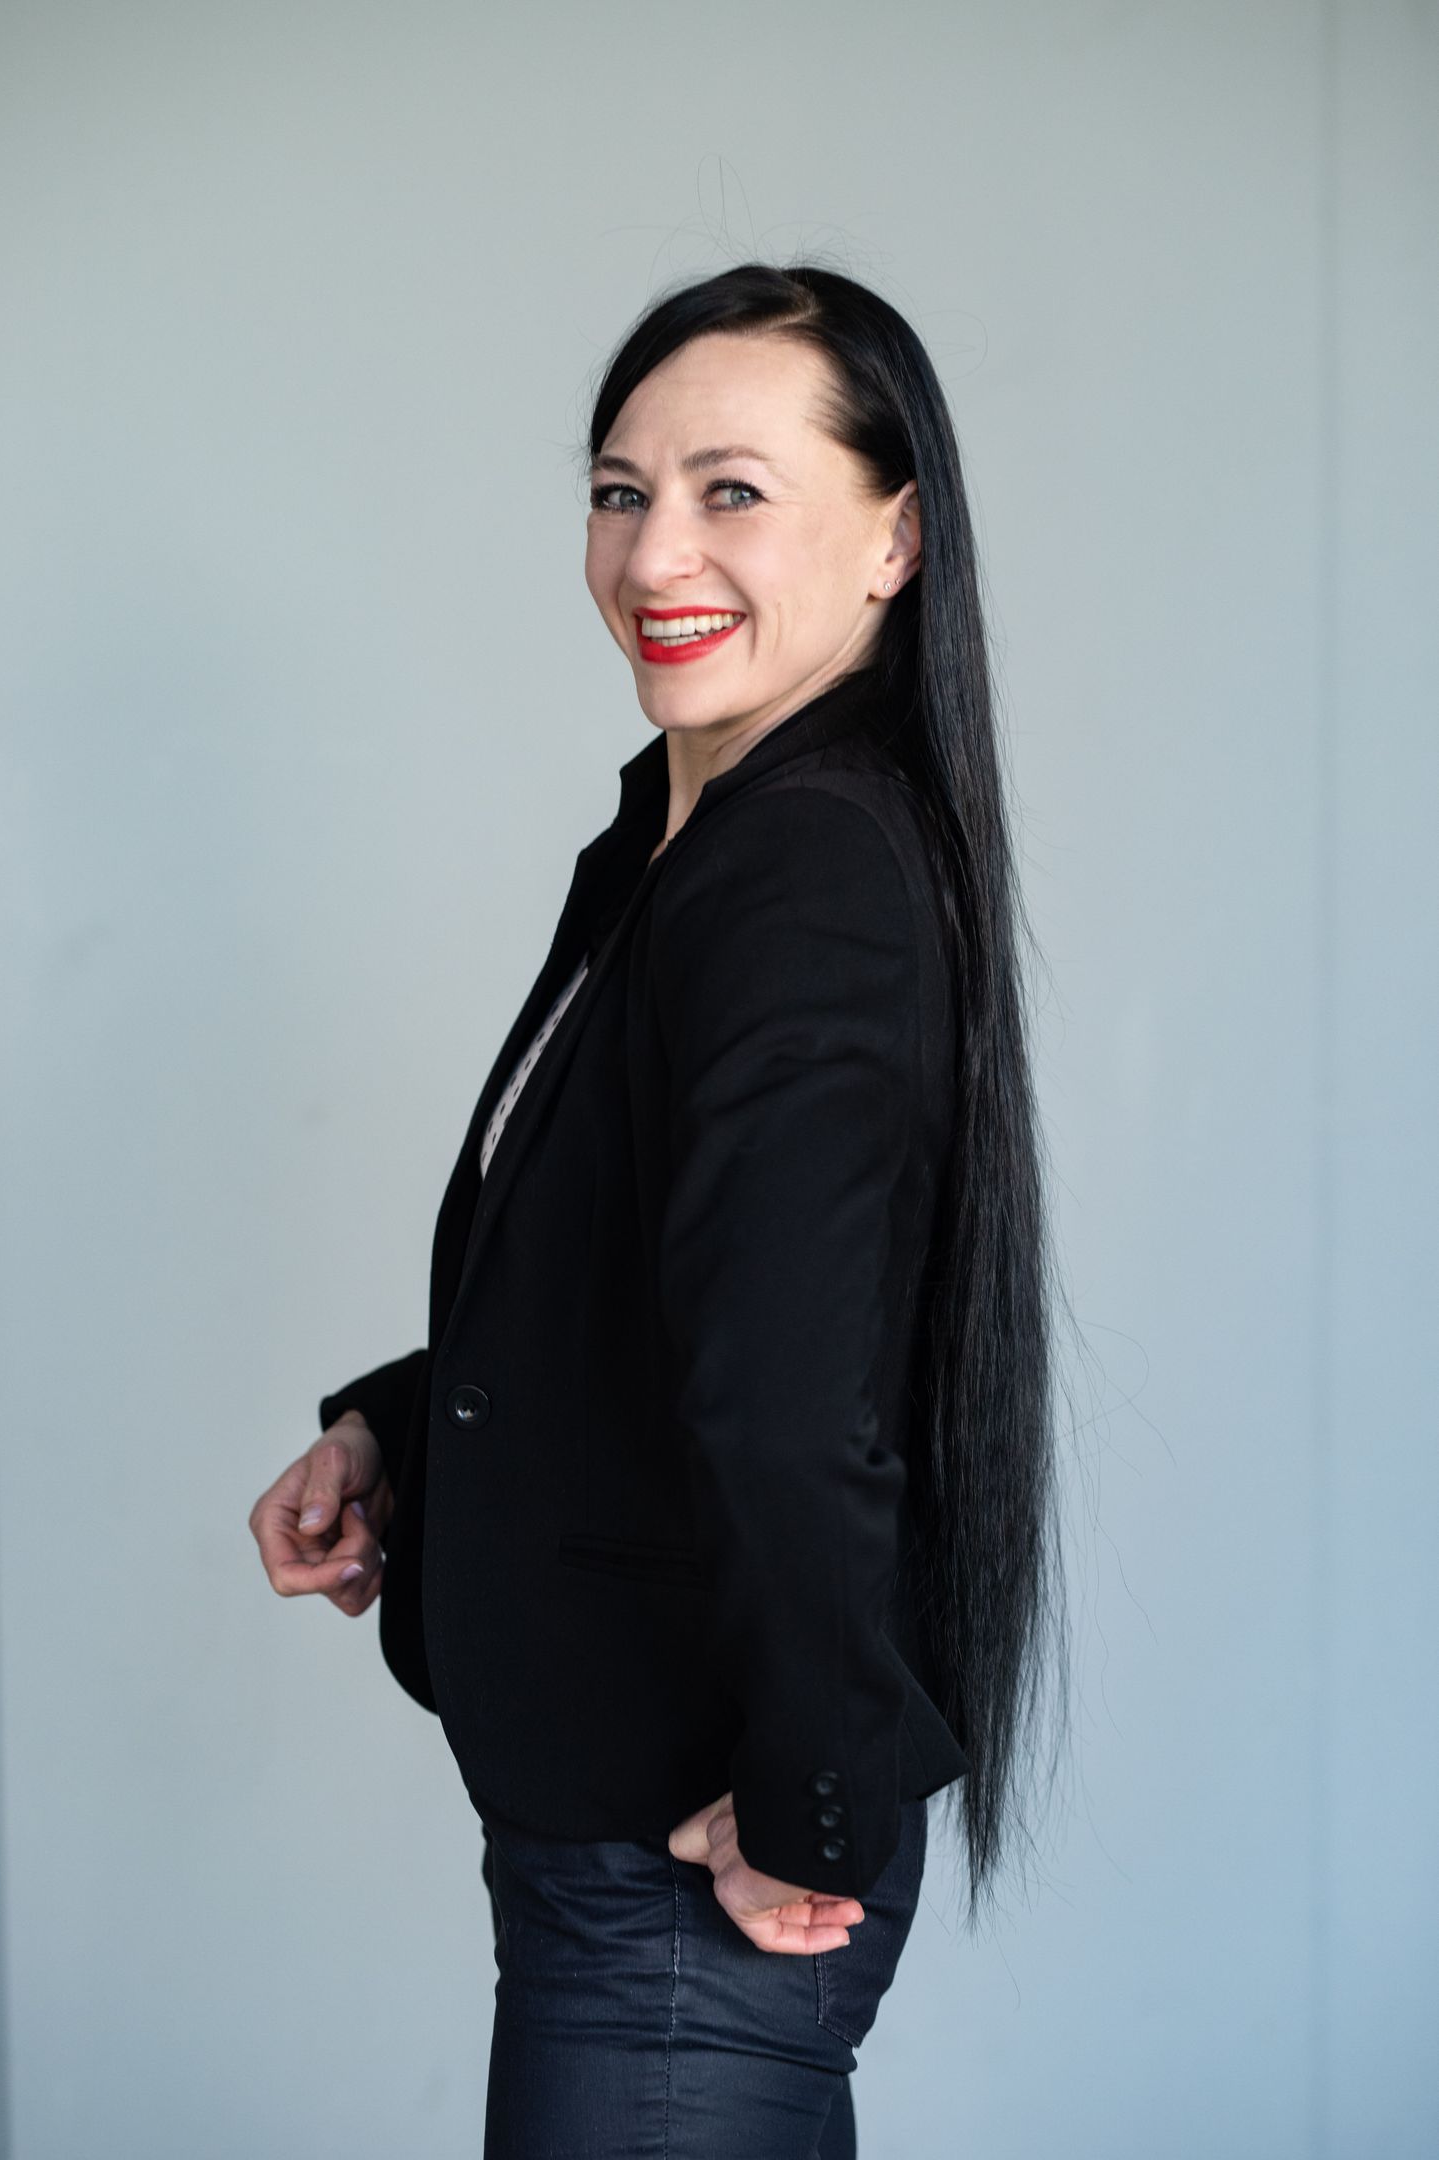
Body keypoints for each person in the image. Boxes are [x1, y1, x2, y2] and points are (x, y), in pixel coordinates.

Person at [249, 260, 1068, 2158]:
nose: (652, 553)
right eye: (620, 491)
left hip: (692, 1888)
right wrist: (396, 1431)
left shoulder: (804, 871)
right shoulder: (679, 843)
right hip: (617, 1862)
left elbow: (794, 1395)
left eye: (732, 491)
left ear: (895, 539)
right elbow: (666, 1290)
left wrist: (813, 1801)